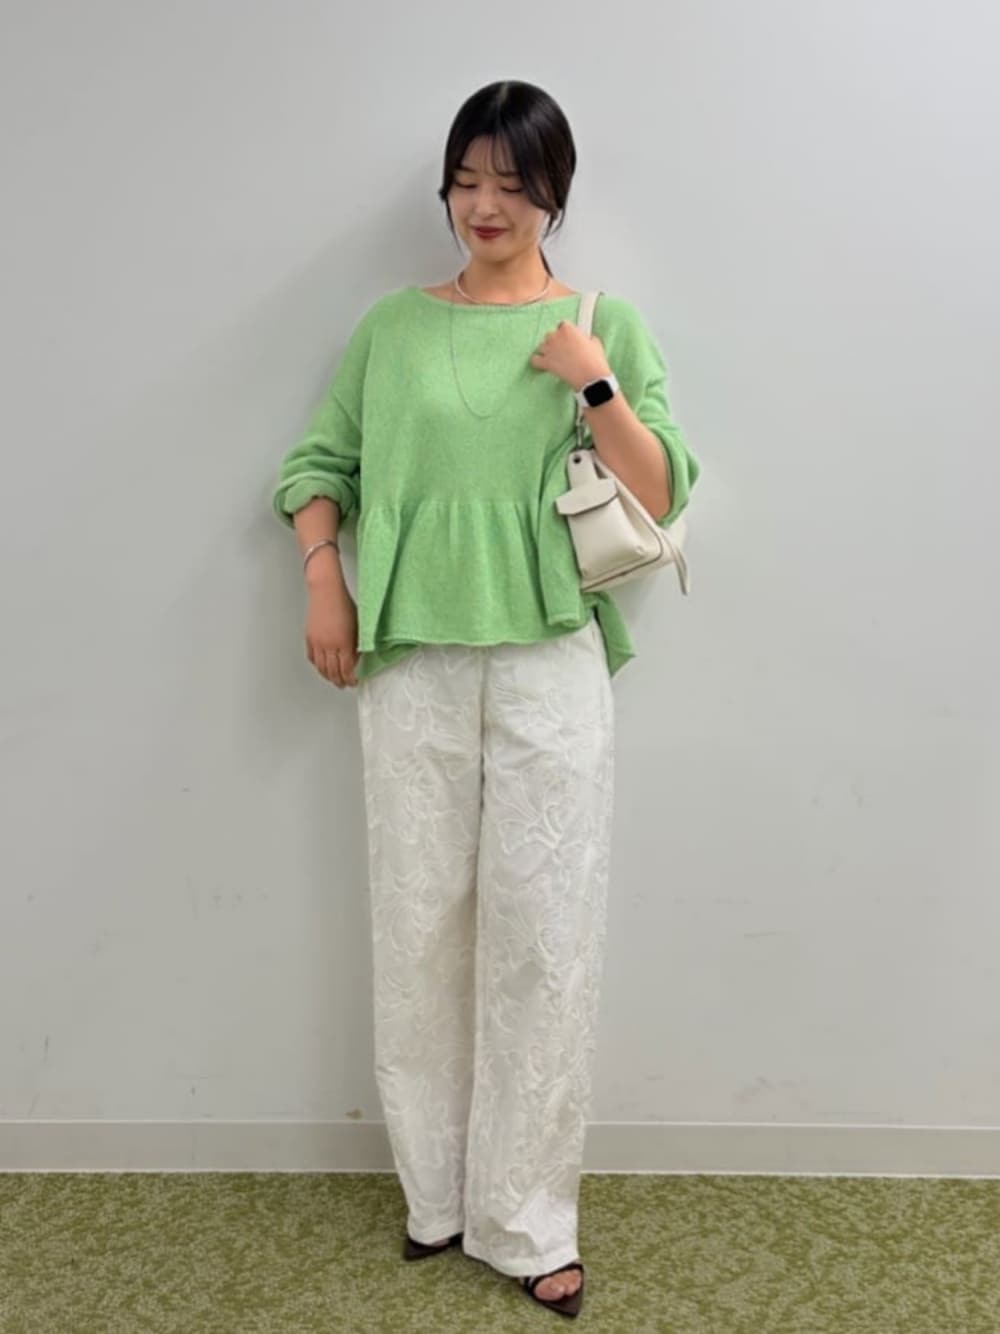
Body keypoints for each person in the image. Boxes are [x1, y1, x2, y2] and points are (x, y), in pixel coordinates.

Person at [271, 79, 700, 1320]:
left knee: (542, 936)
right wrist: (325, 579)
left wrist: (594, 382)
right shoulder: (390, 328)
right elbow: (319, 465)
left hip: (551, 657)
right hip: (410, 656)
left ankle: (528, 1217)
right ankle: (439, 1195)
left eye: (511, 183)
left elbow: (662, 490)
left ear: (553, 192)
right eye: (466, 180)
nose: (485, 205)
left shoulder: (600, 323)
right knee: (416, 929)